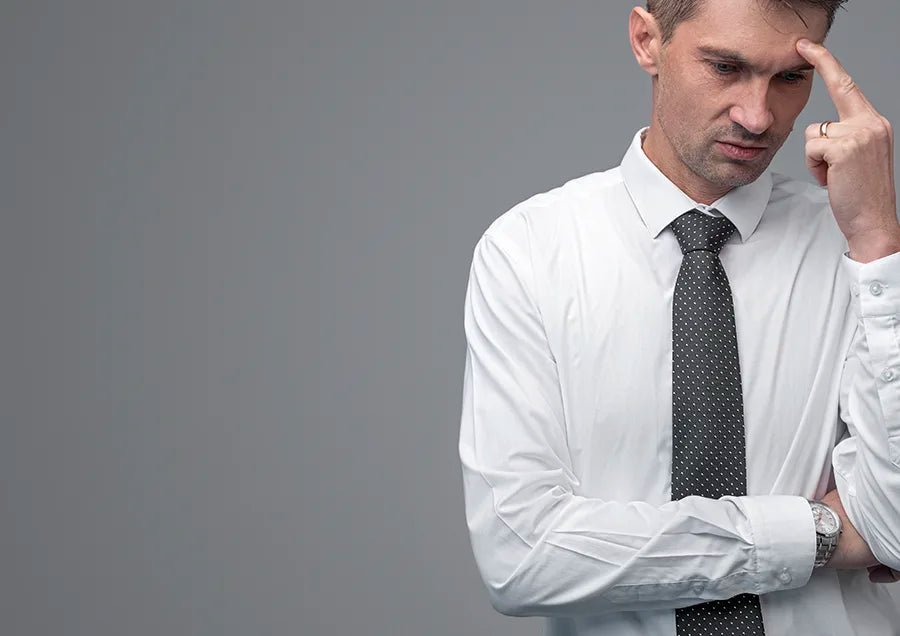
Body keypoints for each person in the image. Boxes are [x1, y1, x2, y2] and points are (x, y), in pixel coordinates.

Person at [458, 0, 900, 634]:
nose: (758, 117)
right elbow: (522, 558)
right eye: (725, 66)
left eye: (790, 78)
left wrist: (879, 242)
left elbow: (898, 525)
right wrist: (820, 531)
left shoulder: (860, 249)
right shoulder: (529, 250)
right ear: (647, 40)